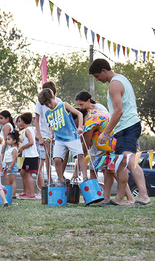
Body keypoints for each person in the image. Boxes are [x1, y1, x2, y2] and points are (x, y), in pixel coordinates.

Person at [89, 59, 152, 206]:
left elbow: (118, 111)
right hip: (123, 128)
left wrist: (105, 133)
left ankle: (144, 197)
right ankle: (119, 198)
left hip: (128, 126)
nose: (97, 80)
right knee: (120, 164)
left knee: (129, 159)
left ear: (104, 71)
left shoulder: (114, 84)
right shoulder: (121, 79)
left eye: (97, 76)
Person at [74, 108, 134, 205]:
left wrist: (76, 171)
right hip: (107, 144)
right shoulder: (94, 114)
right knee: (106, 170)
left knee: (113, 170)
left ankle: (130, 197)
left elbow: (85, 149)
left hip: (114, 142)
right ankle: (102, 198)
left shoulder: (89, 123)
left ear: (78, 119)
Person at [38, 88, 87, 186]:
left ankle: (85, 177)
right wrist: (51, 134)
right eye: (46, 104)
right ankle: (61, 180)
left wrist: (80, 126)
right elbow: (52, 124)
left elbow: (79, 113)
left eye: (49, 102)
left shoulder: (63, 105)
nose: (49, 105)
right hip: (59, 139)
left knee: (80, 155)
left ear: (53, 97)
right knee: (56, 159)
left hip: (71, 136)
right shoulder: (48, 113)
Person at [34, 81, 62, 185]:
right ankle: (49, 179)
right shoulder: (40, 103)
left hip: (57, 133)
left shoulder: (58, 101)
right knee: (47, 155)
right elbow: (36, 119)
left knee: (57, 157)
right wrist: (40, 136)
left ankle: (60, 178)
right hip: (45, 133)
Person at [16, 113, 39, 199]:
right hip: (27, 156)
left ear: (23, 121)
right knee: (23, 172)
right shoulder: (29, 130)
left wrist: (22, 148)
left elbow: (31, 142)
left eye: (20, 121)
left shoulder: (27, 130)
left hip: (31, 156)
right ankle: (26, 191)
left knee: (28, 175)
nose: (19, 122)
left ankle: (31, 193)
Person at [2, 130, 19, 199]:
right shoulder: (9, 149)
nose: (7, 141)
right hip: (7, 166)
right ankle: (8, 193)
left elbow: (14, 159)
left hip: (12, 166)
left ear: (14, 141)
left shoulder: (14, 149)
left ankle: (13, 194)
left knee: (12, 180)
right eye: (6, 139)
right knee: (8, 180)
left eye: (9, 139)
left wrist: (10, 167)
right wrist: (5, 167)